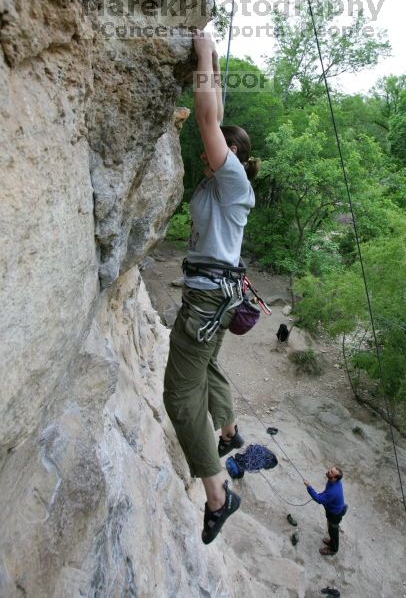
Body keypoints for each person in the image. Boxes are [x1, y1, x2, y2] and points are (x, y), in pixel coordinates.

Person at [163, 30, 260, 545]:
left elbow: (207, 121)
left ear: (232, 155)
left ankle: (218, 498)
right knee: (207, 368)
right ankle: (228, 431)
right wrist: (214, 62)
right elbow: (214, 117)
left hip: (207, 299)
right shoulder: (217, 182)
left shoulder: (233, 182)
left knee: (179, 397)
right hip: (214, 297)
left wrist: (202, 55)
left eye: (219, 148)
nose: (208, 151)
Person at [304, 466, 347, 555]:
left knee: (332, 531)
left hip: (335, 514)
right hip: (335, 509)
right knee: (331, 528)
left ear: (335, 478)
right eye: (330, 470)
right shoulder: (333, 481)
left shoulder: (333, 491)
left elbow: (319, 499)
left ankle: (333, 549)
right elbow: (325, 493)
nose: (328, 472)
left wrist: (309, 487)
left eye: (331, 472)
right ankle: (331, 541)